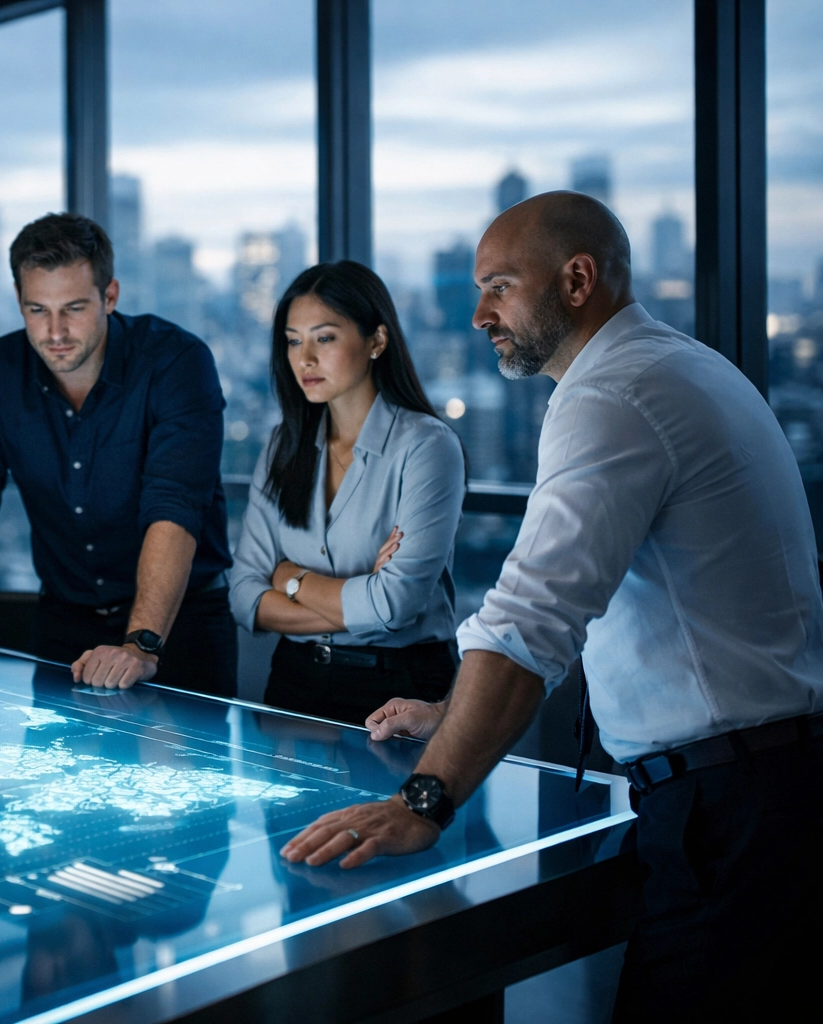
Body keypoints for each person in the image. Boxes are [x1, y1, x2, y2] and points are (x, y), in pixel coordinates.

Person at [278, 192, 823, 1018]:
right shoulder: (678, 365)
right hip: (768, 790)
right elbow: (603, 609)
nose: (478, 314)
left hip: (730, 812)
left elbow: (532, 618)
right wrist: (458, 708)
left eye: (499, 285)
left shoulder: (613, 397)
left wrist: (424, 800)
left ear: (576, 279)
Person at [0, 213, 237, 696]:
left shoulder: (176, 362)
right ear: (18, 301)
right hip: (64, 625)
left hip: (179, 626)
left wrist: (140, 645)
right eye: (37, 310)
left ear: (110, 296)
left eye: (74, 308)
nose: (55, 331)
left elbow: (174, 507)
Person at [230, 261, 465, 724]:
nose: (305, 359)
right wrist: (365, 601)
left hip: (401, 691)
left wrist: (289, 579)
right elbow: (243, 597)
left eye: (325, 337)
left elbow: (397, 605)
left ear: (376, 340)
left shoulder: (427, 447)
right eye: (294, 341)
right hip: (294, 683)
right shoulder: (283, 444)